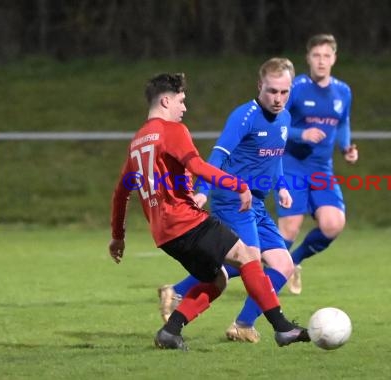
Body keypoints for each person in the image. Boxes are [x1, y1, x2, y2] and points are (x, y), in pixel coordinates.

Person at [109, 72, 309, 351]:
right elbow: (199, 167)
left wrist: (118, 237)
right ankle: (281, 328)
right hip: (185, 220)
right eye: (181, 101)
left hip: (163, 234)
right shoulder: (173, 131)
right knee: (247, 256)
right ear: (166, 101)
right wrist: (237, 184)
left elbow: (121, 193)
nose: (184, 108)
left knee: (218, 279)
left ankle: (170, 330)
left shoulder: (137, 142)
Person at [158, 58, 298, 343]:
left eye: (284, 92)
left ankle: (236, 319)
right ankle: (239, 321)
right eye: (272, 91)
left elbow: (276, 158)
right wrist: (202, 191)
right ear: (260, 86)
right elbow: (218, 155)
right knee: (252, 262)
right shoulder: (244, 116)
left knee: (284, 265)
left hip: (256, 204)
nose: (278, 98)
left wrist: (282, 187)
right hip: (231, 199)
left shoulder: (285, 118)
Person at [277, 34, 358, 295]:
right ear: (308, 58)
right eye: (316, 55)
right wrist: (302, 134)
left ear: (334, 58)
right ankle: (266, 281)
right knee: (289, 229)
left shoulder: (343, 91)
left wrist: (346, 147)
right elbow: (277, 124)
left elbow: (342, 122)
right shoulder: (295, 88)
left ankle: (293, 262)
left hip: (322, 169)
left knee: (333, 224)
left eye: (326, 55)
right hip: (291, 165)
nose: (321, 61)